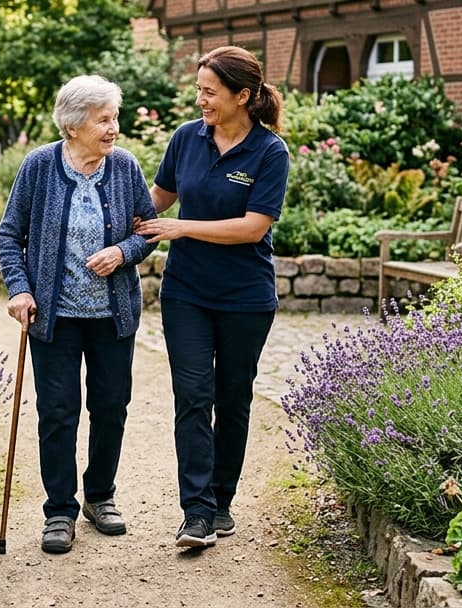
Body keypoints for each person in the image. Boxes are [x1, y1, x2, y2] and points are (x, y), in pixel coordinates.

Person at [135, 46, 290, 549]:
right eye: (198, 90)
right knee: (193, 397)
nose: (200, 99)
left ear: (242, 96)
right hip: (187, 294)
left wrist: (182, 228)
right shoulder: (187, 138)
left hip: (246, 298)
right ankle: (197, 512)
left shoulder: (269, 152)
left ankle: (222, 501)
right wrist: (110, 213)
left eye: (209, 91)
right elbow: (158, 198)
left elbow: (252, 228)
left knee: (233, 399)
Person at [0, 75, 159, 554]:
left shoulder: (125, 167)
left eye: (115, 118)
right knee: (57, 412)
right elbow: (9, 234)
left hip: (112, 316)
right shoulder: (39, 166)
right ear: (72, 126)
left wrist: (122, 253)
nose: (113, 128)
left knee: (110, 408)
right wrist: (20, 290)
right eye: (103, 120)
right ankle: (60, 511)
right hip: (55, 318)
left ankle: (100, 496)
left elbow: (147, 230)